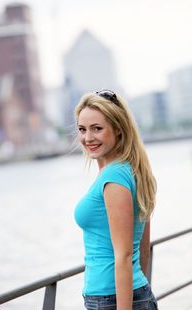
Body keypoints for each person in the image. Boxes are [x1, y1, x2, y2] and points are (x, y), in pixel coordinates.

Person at [74, 90, 158, 310]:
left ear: (118, 129)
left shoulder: (114, 179)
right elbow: (143, 249)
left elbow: (125, 254)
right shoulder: (132, 170)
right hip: (131, 294)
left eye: (97, 128)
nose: (87, 138)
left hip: (111, 299)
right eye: (82, 129)